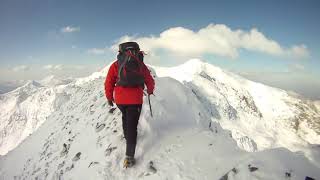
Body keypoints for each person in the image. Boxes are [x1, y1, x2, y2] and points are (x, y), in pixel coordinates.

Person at [104, 42, 155, 168]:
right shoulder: (141, 65)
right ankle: (129, 156)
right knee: (132, 125)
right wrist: (150, 91)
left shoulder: (116, 65)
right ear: (137, 52)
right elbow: (149, 79)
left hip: (120, 100)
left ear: (120, 52)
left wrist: (109, 97)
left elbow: (108, 82)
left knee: (125, 117)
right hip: (135, 99)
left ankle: (127, 137)